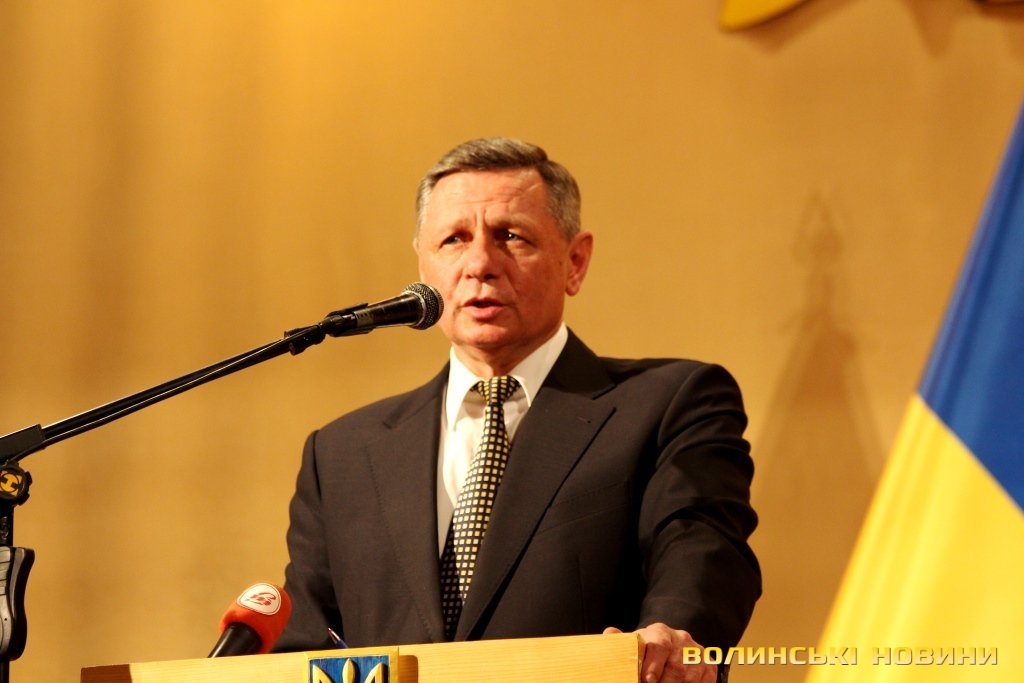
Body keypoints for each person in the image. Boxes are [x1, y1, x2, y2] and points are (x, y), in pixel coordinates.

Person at [273, 137, 761, 683]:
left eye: (511, 236)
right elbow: (305, 640)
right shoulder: (343, 453)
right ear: (423, 266)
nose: (480, 264)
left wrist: (674, 632)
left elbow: (701, 547)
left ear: (575, 262)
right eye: (454, 240)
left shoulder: (671, 402)